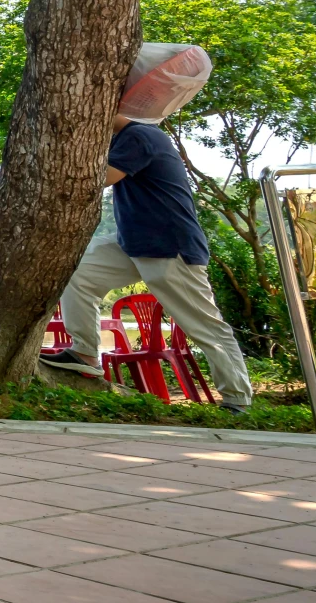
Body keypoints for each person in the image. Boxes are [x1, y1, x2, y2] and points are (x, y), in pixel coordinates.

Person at [40, 61, 254, 415]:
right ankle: (84, 353)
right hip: (134, 242)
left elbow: (101, 178)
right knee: (79, 271)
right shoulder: (126, 138)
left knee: (204, 326)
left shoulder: (140, 135)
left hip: (170, 247)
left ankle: (238, 400)